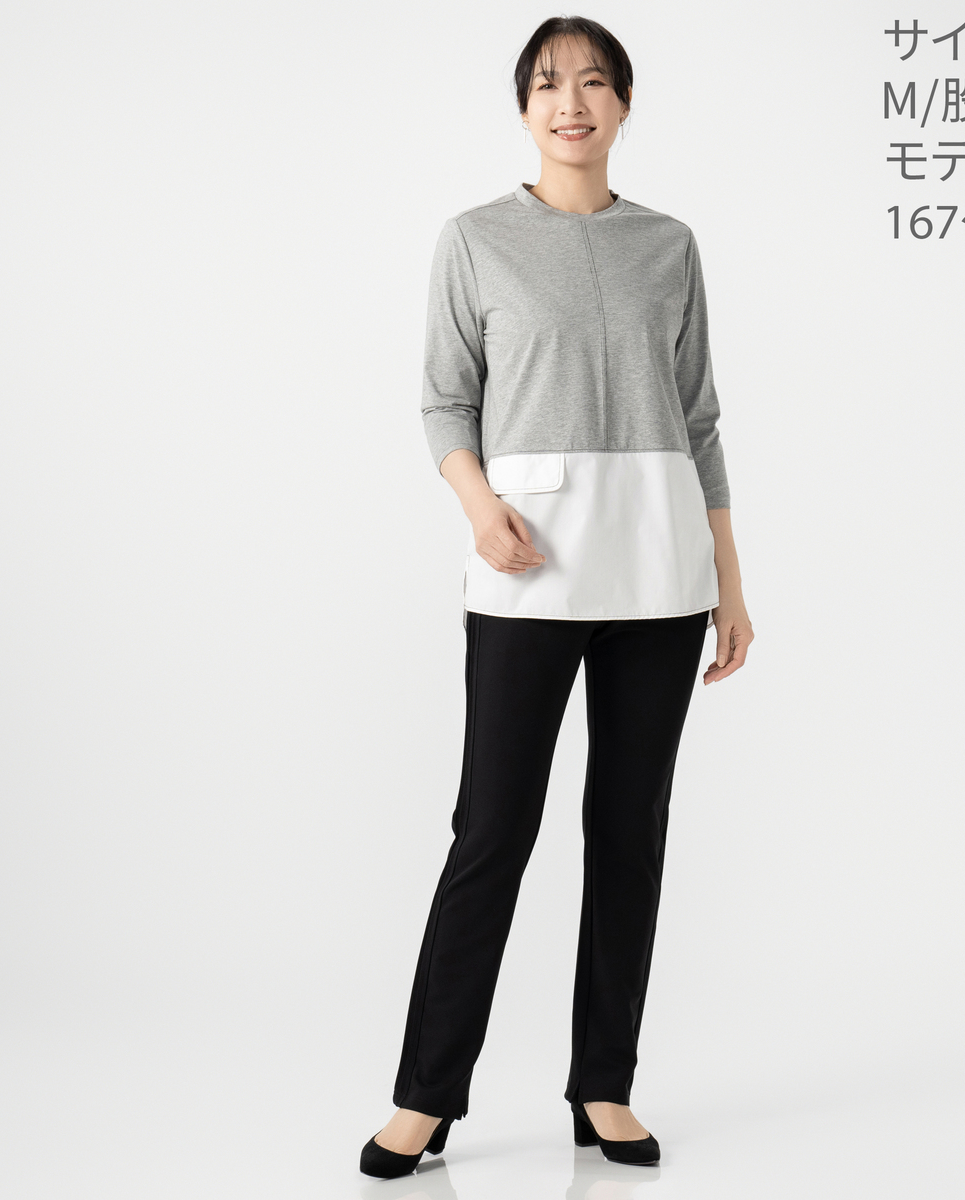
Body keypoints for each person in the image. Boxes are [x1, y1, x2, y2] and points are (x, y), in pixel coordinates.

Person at [360, 15, 754, 1179]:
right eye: (546, 83)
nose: (569, 101)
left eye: (591, 82)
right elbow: (445, 401)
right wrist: (478, 506)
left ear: (623, 103)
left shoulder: (669, 246)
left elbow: (699, 421)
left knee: (629, 830)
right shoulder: (476, 240)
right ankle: (427, 1097)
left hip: (660, 572)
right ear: (524, 107)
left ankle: (604, 1087)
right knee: (492, 831)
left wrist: (730, 581)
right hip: (525, 568)